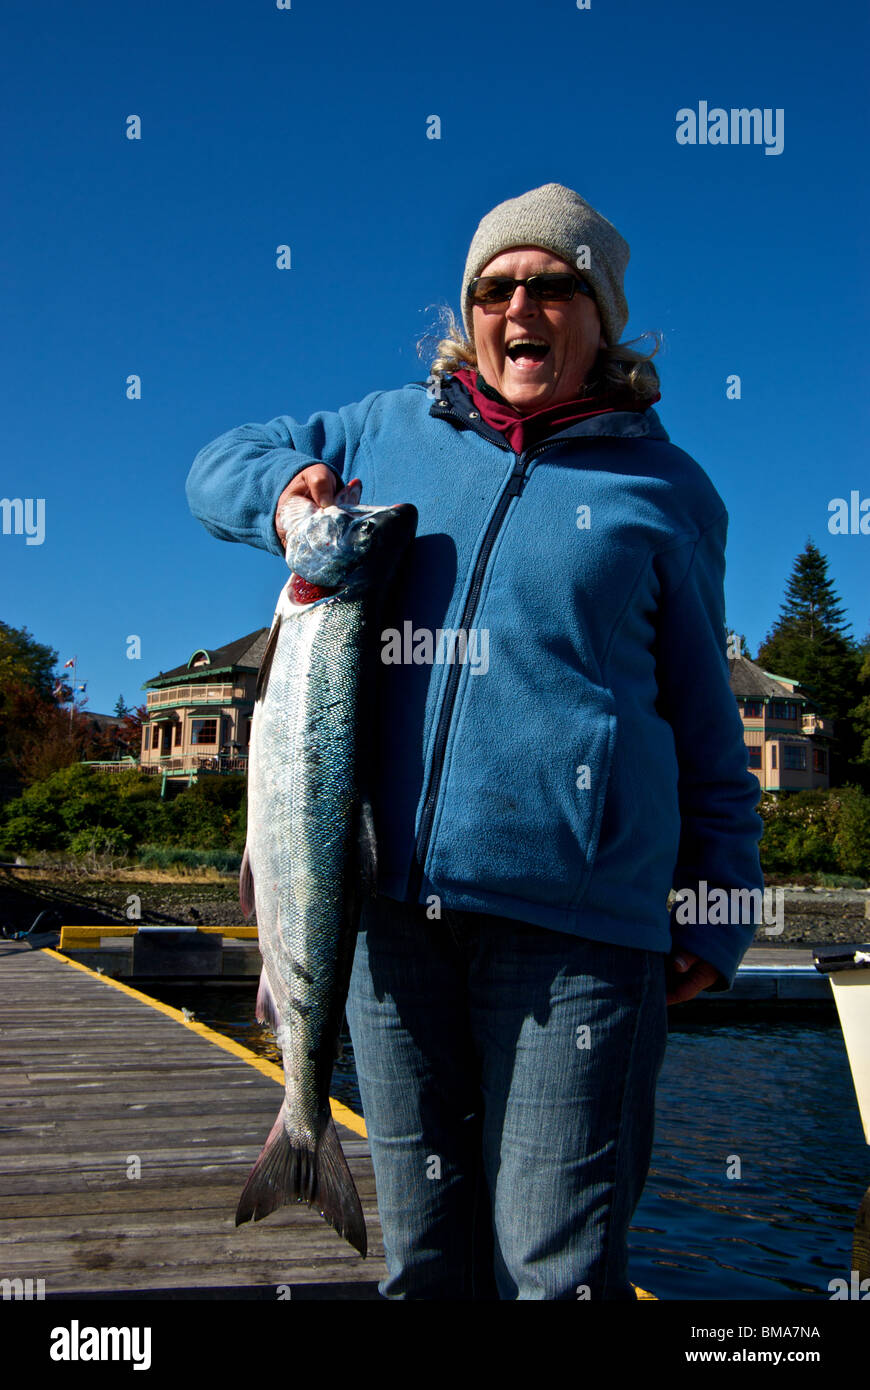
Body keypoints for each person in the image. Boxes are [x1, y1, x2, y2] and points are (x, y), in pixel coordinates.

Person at [186, 182, 764, 1301]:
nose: (521, 309)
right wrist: (285, 493)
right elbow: (218, 463)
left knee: (557, 1265)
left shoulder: (669, 491)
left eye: (553, 286)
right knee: (426, 1259)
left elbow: (706, 725)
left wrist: (722, 899)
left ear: (601, 315)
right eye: (495, 289)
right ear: (469, 313)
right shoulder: (382, 431)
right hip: (386, 919)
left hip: (582, 932)